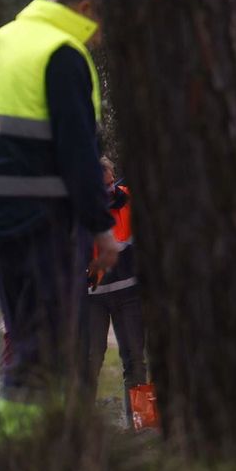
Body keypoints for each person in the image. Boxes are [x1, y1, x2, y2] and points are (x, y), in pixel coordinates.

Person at [0, 0, 120, 439]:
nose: (99, 39)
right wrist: (102, 228)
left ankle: (34, 445)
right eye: (101, 25)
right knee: (45, 346)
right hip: (47, 220)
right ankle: (13, 449)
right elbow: (79, 155)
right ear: (85, 9)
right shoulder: (61, 53)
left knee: (25, 336)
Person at [81, 157, 146, 414]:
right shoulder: (82, 211)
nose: (108, 191)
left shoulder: (129, 201)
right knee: (90, 360)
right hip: (93, 296)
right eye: (102, 187)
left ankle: (140, 423)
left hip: (129, 293)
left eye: (110, 184)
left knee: (135, 361)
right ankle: (83, 424)